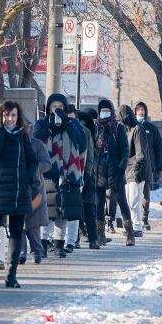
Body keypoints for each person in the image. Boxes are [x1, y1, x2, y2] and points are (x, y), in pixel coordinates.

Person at [0, 101, 38, 288]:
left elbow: (32, 161)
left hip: (18, 191)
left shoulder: (23, 136)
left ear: (17, 116)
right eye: (6, 115)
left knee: (15, 232)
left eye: (13, 115)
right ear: (0, 116)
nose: (10, 119)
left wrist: (27, 177)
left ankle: (11, 275)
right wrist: (1, 131)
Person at [33, 94, 87, 257]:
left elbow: (82, 143)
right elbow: (34, 140)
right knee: (48, 209)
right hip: (48, 171)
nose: (57, 109)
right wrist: (50, 128)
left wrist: (67, 123)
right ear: (49, 107)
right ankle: (43, 242)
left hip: (68, 170)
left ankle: (59, 244)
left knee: (63, 209)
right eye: (54, 106)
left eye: (60, 107)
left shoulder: (73, 123)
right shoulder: (42, 123)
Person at [94, 99, 134, 246]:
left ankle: (130, 234)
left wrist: (121, 168)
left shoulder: (118, 128)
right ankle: (100, 235)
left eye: (107, 110)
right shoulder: (96, 128)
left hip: (115, 171)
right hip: (99, 171)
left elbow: (125, 150)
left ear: (111, 111)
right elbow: (93, 149)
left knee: (122, 202)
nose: (105, 113)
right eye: (102, 110)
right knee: (99, 204)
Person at [65, 104, 98, 249]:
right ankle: (75, 239)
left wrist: (87, 173)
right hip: (69, 176)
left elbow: (90, 154)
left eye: (72, 118)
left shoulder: (85, 131)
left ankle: (93, 239)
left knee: (89, 208)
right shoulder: (62, 130)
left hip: (85, 175)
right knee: (73, 208)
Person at [119, 104, 149, 237]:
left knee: (133, 201)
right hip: (127, 169)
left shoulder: (137, 129)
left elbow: (140, 153)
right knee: (128, 200)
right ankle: (131, 227)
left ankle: (137, 227)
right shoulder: (124, 129)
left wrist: (136, 170)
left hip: (137, 169)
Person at [23, 128, 52, 263]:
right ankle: (20, 253)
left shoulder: (37, 144)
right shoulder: (13, 143)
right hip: (17, 187)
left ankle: (37, 251)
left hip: (35, 187)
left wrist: (35, 168)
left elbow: (47, 163)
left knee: (33, 225)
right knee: (18, 223)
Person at [134, 102, 162, 230]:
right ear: (134, 111)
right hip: (132, 167)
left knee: (146, 194)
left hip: (147, 166)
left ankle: (144, 218)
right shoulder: (130, 127)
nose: (141, 112)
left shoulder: (151, 128)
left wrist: (159, 166)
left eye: (143, 109)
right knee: (132, 195)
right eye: (138, 109)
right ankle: (133, 219)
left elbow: (158, 148)